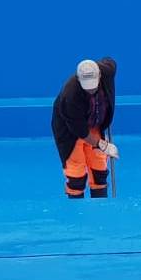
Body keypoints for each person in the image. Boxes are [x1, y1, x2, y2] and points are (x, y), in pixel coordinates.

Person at [50, 57, 117, 199]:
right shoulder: (70, 95)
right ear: (79, 79)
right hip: (70, 131)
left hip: (95, 123)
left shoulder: (107, 71)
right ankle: (76, 209)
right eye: (87, 87)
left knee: (99, 169)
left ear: (99, 75)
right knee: (76, 174)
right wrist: (102, 145)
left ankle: (100, 206)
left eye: (94, 86)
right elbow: (80, 130)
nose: (91, 90)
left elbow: (110, 61)